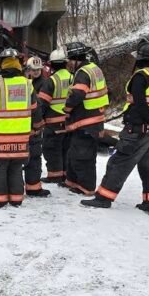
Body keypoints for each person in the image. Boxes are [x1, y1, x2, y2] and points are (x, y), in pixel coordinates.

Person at [81, 41, 149, 214]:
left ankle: (103, 198)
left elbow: (140, 103)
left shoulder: (142, 76)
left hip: (139, 129)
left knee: (119, 163)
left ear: (141, 58)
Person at [0, 48, 44, 207]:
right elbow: (36, 109)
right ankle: (16, 199)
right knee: (16, 167)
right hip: (22, 138)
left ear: (2, 65)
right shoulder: (27, 85)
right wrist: (37, 127)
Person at [62, 42, 109, 196]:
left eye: (69, 59)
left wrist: (67, 108)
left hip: (86, 121)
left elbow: (77, 95)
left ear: (75, 58)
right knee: (76, 153)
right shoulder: (94, 69)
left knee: (83, 157)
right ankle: (74, 182)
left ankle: (86, 187)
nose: (67, 63)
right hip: (93, 119)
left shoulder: (83, 73)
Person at [38, 48, 72, 186]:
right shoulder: (73, 77)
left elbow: (42, 103)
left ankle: (54, 175)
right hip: (69, 121)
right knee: (66, 149)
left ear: (51, 64)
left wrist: (38, 120)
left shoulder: (51, 81)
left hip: (53, 123)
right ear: (65, 63)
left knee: (52, 149)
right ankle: (65, 174)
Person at [23, 56, 51, 197]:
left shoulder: (44, 83)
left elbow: (41, 107)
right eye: (33, 70)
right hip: (21, 125)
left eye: (38, 70)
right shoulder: (25, 83)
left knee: (33, 156)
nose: (36, 72)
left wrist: (38, 125)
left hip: (33, 126)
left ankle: (33, 187)